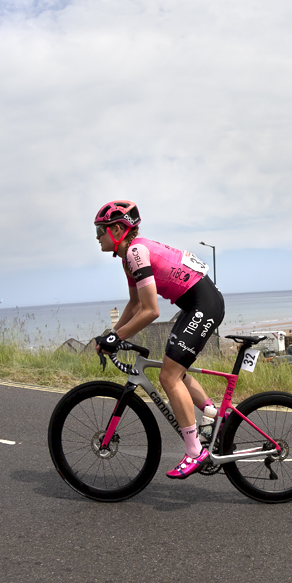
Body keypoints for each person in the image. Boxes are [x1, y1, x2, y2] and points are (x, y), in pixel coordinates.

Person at [93, 200, 224, 480]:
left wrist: (117, 337)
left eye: (101, 230)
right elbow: (134, 305)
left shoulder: (136, 253)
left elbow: (151, 310)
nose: (97, 237)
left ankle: (195, 451)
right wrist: (111, 334)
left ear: (117, 229)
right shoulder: (130, 256)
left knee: (169, 377)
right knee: (174, 369)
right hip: (196, 305)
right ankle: (215, 416)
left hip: (203, 304)